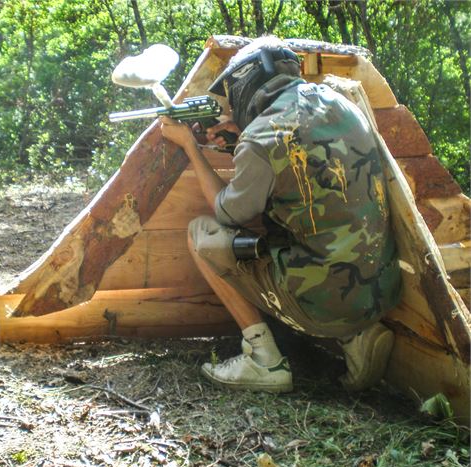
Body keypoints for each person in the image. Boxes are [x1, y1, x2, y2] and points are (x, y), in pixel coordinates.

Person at [160, 36, 401, 393]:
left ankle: (264, 360)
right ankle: (356, 336)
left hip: (320, 306)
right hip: (381, 292)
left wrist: (191, 149)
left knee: (202, 235)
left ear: (247, 83)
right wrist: (240, 139)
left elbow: (227, 213)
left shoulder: (261, 137)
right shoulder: (339, 102)